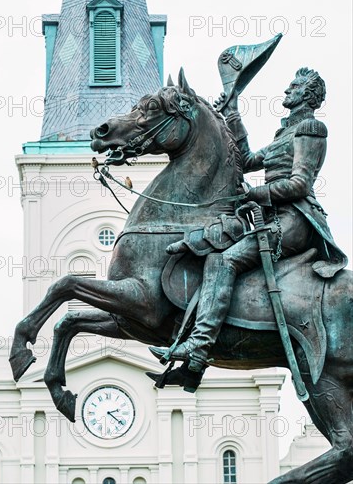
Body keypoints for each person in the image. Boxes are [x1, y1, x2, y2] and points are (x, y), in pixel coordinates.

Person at [149, 67, 347, 379]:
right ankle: (193, 352)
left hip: (294, 219)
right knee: (211, 243)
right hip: (271, 216)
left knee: (225, 261)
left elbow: (299, 184)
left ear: (307, 95)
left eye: (293, 87)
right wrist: (232, 110)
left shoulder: (310, 129)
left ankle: (199, 346)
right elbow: (247, 159)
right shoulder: (284, 133)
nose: (287, 91)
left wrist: (256, 192)